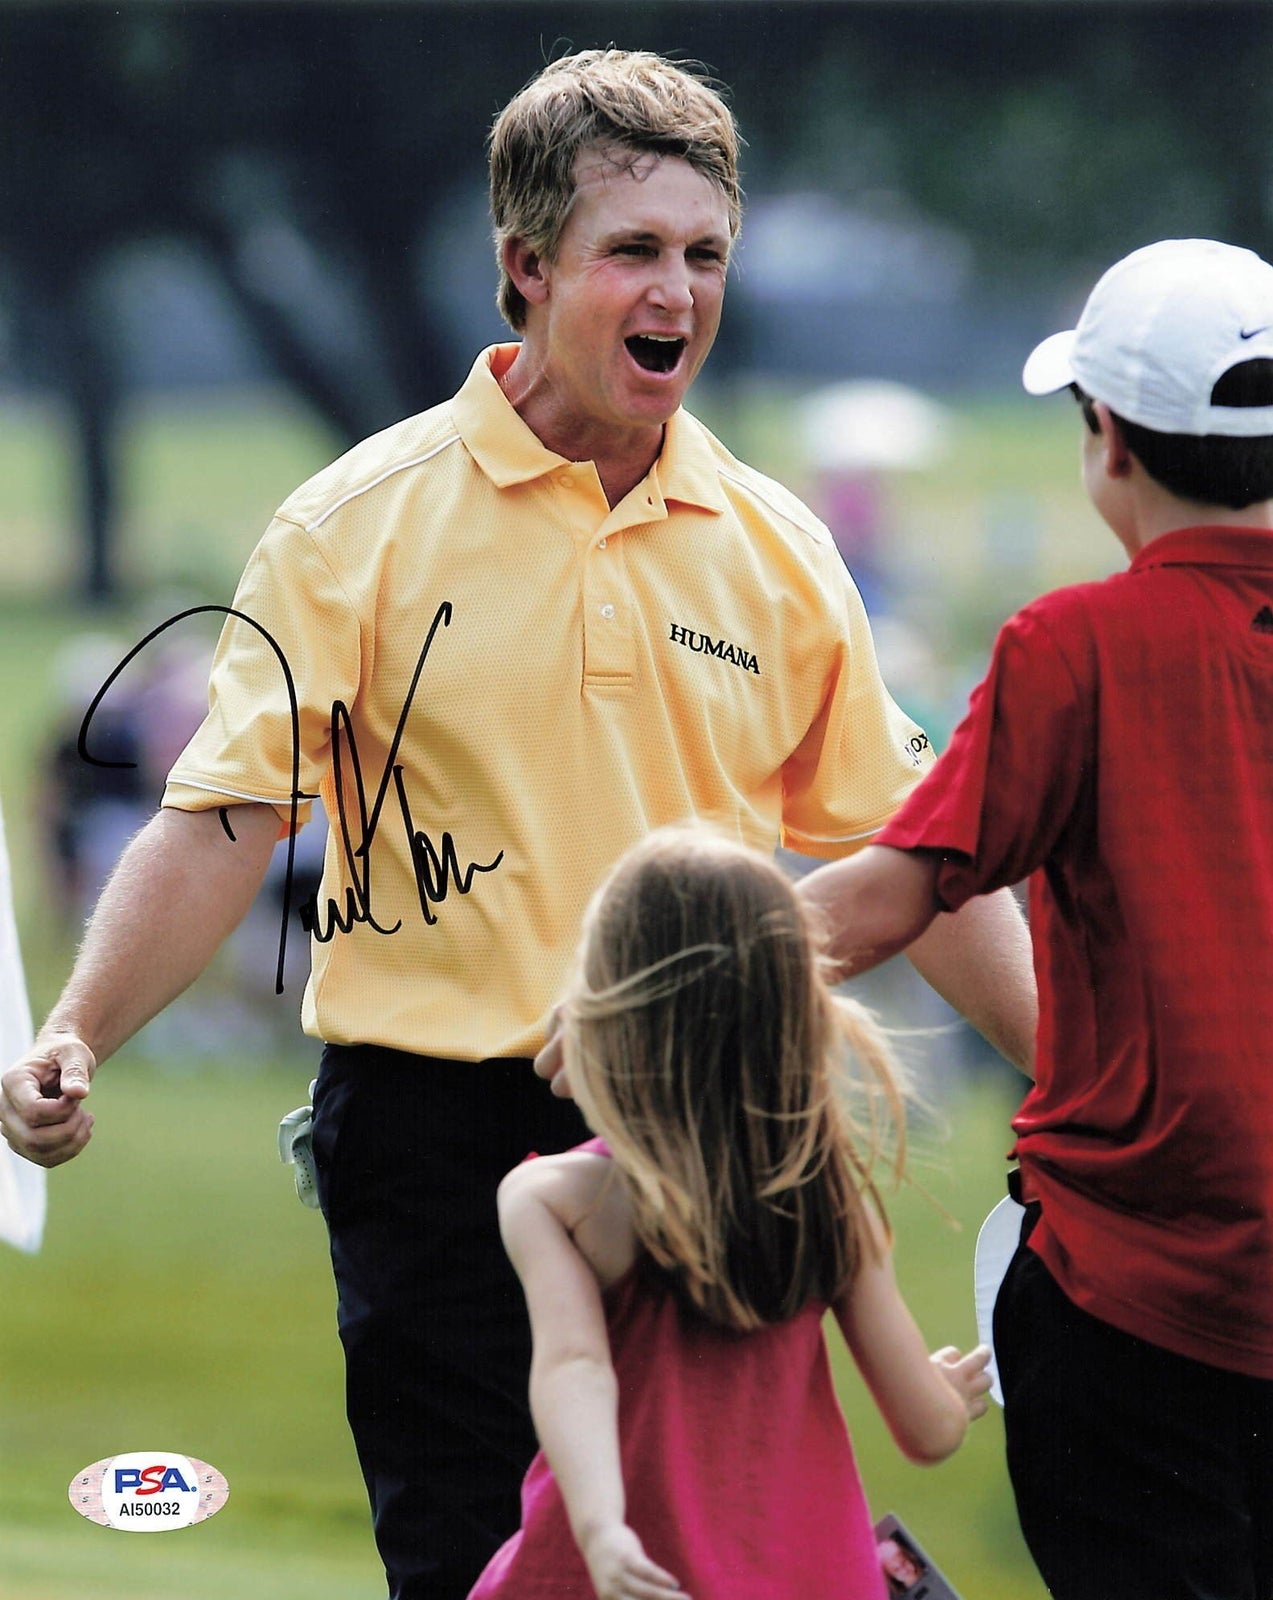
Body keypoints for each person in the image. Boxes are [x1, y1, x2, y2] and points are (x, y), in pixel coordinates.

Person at [0, 49, 1035, 1600]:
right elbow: (223, 823)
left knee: (706, 1555)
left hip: (707, 1128)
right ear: (527, 266)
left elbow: (921, 859)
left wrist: (1072, 1076)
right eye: (634, 250)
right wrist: (77, 1030)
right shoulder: (356, 524)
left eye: (705, 254)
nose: (675, 290)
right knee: (474, 1558)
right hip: (434, 1138)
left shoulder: (778, 548)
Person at [799, 238, 1273, 1599]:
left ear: (1105, 436)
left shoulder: (1071, 651)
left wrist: (651, 980)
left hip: (1125, 1300)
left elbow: (887, 898)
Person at [469, 827, 991, 1600]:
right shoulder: (826, 1197)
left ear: (606, 1009)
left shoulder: (555, 1199)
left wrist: (601, 1527)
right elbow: (928, 1432)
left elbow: (574, 1367)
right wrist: (945, 1392)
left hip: (613, 1575)